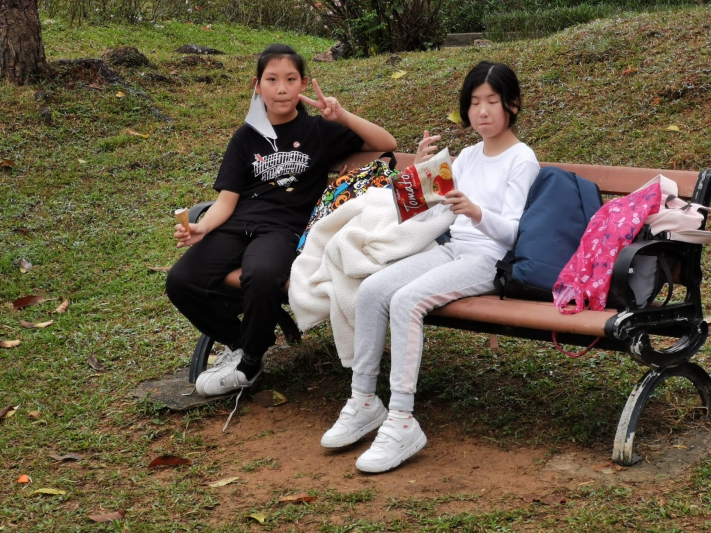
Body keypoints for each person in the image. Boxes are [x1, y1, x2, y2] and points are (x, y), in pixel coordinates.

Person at [321, 61, 540, 472]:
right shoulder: (468, 156)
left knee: (406, 301)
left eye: (492, 101)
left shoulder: (521, 158)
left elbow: (513, 234)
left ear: (511, 104)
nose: (482, 111)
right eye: (474, 102)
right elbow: (425, 211)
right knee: (372, 290)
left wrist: (476, 211)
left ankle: (402, 420)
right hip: (451, 248)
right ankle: (364, 399)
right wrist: (420, 172)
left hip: (488, 260)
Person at [166, 44, 397, 397]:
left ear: (303, 84)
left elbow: (387, 142)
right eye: (272, 80)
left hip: (284, 229)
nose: (282, 89)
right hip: (237, 226)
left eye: (291, 79)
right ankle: (241, 343)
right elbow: (226, 200)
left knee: (261, 275)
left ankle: (248, 365)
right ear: (257, 86)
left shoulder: (318, 131)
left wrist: (342, 115)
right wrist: (203, 227)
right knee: (181, 280)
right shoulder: (245, 137)